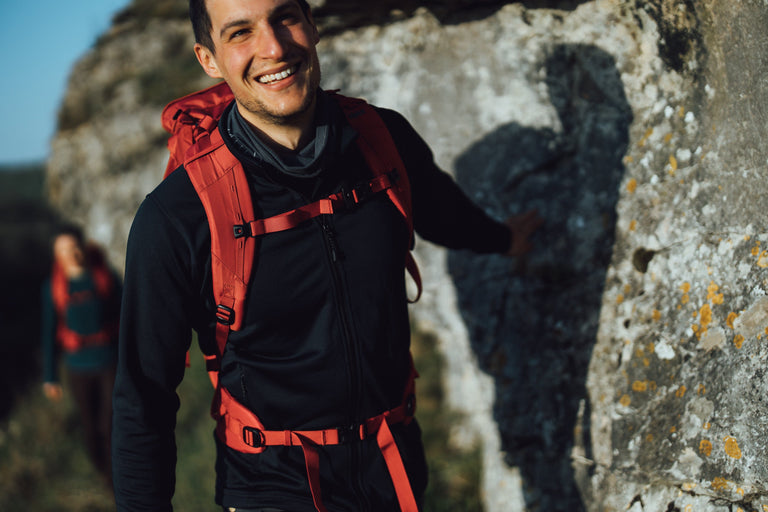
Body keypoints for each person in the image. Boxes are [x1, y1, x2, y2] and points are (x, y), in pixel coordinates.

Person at [111, 0, 542, 510]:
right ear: (209, 60)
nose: (273, 47)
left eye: (285, 18)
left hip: (395, 466)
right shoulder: (179, 216)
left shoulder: (382, 141)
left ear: (313, 26)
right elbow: (144, 398)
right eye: (240, 33)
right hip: (272, 487)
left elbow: (443, 212)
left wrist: (505, 239)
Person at [41, 224, 121, 487]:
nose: (70, 254)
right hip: (78, 367)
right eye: (63, 250)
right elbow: (49, 333)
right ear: (56, 255)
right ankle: (101, 469)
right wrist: (50, 377)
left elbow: (125, 316)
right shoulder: (53, 289)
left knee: (110, 422)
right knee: (90, 427)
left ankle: (115, 480)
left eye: (74, 246)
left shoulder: (103, 277)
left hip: (109, 361)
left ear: (83, 247)